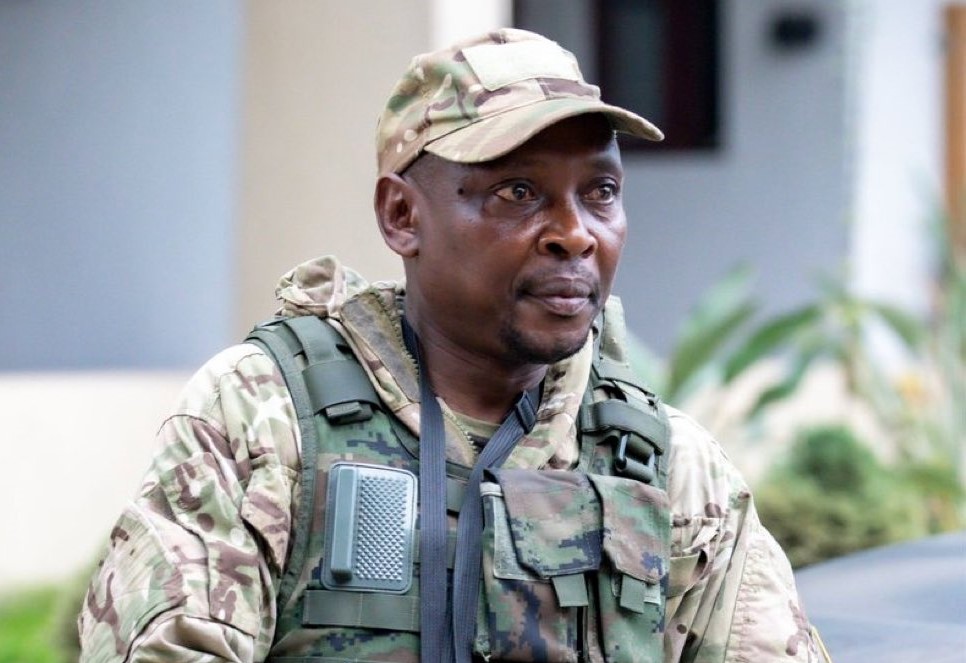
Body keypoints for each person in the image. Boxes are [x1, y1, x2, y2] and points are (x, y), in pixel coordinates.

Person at [79, 28, 829, 663]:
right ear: (402, 215)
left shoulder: (667, 464)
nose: (575, 234)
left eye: (600, 192)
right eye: (518, 193)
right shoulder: (266, 416)